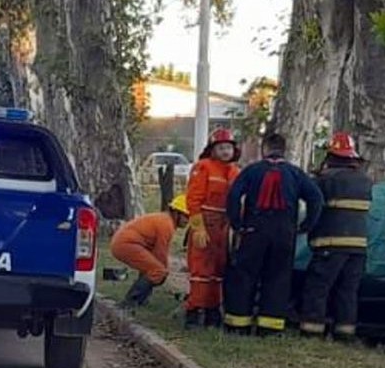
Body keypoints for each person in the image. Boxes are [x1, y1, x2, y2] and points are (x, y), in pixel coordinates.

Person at [223, 133, 323, 335]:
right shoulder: (295, 174)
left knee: (245, 275)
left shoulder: (252, 171)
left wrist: (236, 223)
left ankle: (237, 325)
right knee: (278, 278)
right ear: (284, 149)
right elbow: (316, 198)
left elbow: (234, 195)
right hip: (284, 233)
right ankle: (270, 328)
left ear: (264, 149)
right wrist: (306, 225)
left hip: (254, 230)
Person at [299, 132, 372, 340]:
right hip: (359, 246)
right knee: (347, 291)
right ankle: (345, 334)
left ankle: (311, 332)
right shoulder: (366, 181)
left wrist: (306, 228)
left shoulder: (324, 180)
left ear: (330, 156)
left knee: (318, 288)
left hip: (330, 244)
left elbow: (314, 206)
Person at [185, 128, 241, 328]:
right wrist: (198, 227)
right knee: (201, 270)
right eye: (221, 148)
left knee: (219, 269)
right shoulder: (203, 167)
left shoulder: (235, 171)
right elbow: (193, 199)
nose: (226, 152)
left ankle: (212, 311)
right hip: (206, 222)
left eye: (228, 148)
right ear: (213, 149)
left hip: (224, 226)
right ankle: (194, 311)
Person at [110, 194, 189, 307]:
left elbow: (156, 254)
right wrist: (164, 271)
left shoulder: (164, 219)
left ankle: (141, 300)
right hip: (126, 244)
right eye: (186, 216)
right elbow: (160, 253)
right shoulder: (166, 225)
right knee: (158, 271)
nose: (187, 221)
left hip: (123, 242)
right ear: (176, 213)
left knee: (153, 268)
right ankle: (130, 301)